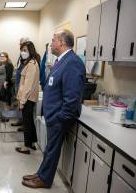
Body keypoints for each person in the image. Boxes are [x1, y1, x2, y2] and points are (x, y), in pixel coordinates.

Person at [21, 29, 86, 188]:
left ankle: (45, 179)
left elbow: (72, 97)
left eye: (54, 40)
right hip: (53, 115)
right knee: (50, 149)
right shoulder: (61, 60)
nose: (51, 43)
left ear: (62, 42)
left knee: (52, 150)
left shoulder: (73, 62)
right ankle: (41, 174)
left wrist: (59, 117)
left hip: (59, 117)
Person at [15, 41, 40, 154]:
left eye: (25, 50)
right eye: (22, 50)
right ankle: (32, 143)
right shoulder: (31, 62)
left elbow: (28, 85)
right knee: (29, 121)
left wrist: (22, 101)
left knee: (27, 122)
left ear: (30, 50)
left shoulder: (31, 64)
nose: (23, 52)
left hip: (28, 98)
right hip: (30, 98)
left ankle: (26, 147)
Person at [11, 37, 30, 127]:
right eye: (20, 43)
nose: (20, 45)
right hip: (17, 80)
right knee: (18, 101)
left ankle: (24, 124)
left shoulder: (29, 56)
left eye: (22, 43)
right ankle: (19, 120)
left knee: (22, 103)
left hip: (22, 83)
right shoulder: (21, 54)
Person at [0, 52, 14, 121]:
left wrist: (6, 82)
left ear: (7, 57)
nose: (1, 57)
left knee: (5, 101)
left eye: (3, 56)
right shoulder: (1, 64)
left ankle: (6, 116)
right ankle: (2, 115)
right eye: (0, 56)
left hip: (5, 86)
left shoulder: (9, 65)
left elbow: (9, 75)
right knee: (0, 101)